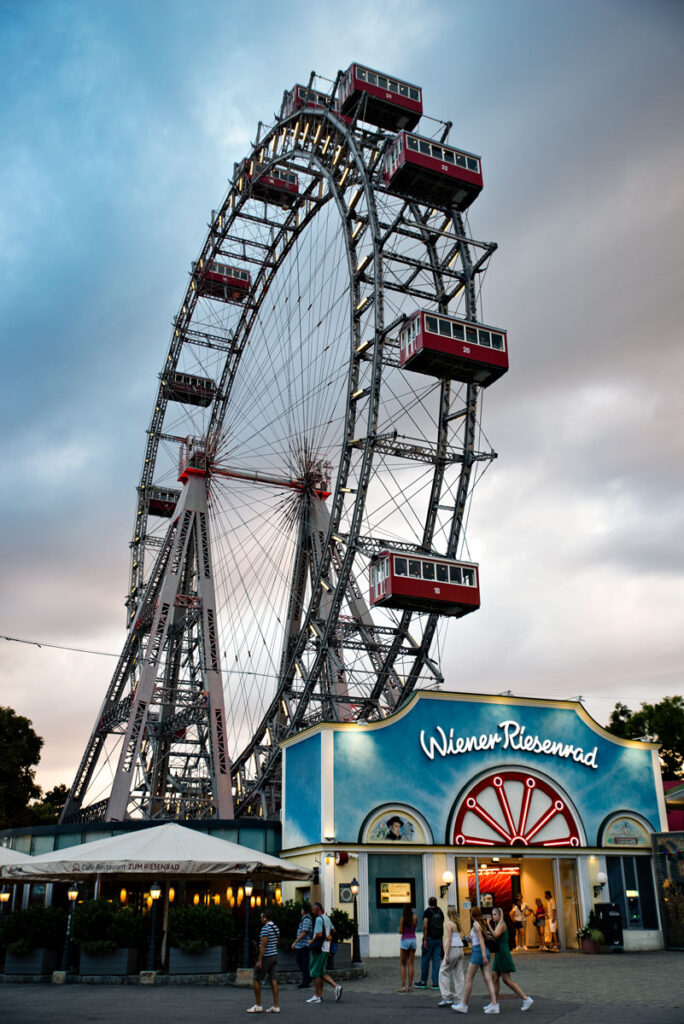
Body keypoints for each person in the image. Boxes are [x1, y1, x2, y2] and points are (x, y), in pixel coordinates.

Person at [485, 906, 534, 1012]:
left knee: (507, 980)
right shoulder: (498, 924)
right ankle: (495, 1003)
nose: (493, 917)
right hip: (500, 953)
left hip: (503, 954)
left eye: (495, 914)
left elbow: (496, 935)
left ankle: (526, 999)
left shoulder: (502, 925)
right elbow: (495, 937)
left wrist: (488, 924)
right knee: (494, 977)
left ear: (499, 915)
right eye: (492, 914)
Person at [451, 906, 499, 1015]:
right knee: (487, 979)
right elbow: (479, 939)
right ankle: (494, 1004)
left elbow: (481, 940)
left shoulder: (476, 925)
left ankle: (464, 1004)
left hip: (478, 952)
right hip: (482, 951)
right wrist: (470, 939)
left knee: (469, 978)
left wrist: (483, 956)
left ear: (472, 915)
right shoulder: (480, 924)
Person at [306, 901, 342, 1004]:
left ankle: (317, 996)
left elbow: (318, 934)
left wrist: (311, 941)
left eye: (313, 909)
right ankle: (333, 989)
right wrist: (329, 936)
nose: (312, 911)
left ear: (318, 909)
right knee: (321, 972)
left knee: (315, 972)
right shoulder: (327, 918)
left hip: (319, 948)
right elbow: (334, 930)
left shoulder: (318, 919)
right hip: (326, 948)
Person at [247, 909, 280, 1014]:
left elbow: (263, 946)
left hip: (267, 957)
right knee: (273, 980)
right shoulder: (276, 928)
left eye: (261, 917)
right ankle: (276, 1006)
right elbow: (277, 942)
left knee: (256, 979)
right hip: (274, 955)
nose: (260, 919)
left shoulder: (265, 929)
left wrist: (259, 960)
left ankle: (258, 1005)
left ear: (265, 918)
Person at [437, 905, 464, 1007]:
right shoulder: (458, 924)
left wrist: (446, 954)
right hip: (460, 949)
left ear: (448, 913)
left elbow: (449, 939)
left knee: (443, 972)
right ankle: (460, 998)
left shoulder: (449, 924)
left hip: (453, 949)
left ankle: (447, 997)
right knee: (459, 975)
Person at [415, 895, 444, 989]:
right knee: (436, 961)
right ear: (436, 903)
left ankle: (423, 982)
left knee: (425, 960)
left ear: (429, 903)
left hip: (430, 939)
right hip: (438, 939)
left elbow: (425, 926)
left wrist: (425, 938)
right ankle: (435, 984)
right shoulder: (440, 911)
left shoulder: (427, 912)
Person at [292, 902, 313, 988]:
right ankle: (307, 977)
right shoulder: (304, 919)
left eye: (302, 909)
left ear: (304, 910)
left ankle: (306, 981)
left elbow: (304, 932)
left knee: (303, 962)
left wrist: (295, 942)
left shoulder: (307, 919)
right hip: (301, 945)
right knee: (300, 961)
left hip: (304, 945)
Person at [398, 902, 417, 992]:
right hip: (413, 940)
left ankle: (403, 987)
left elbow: (400, 931)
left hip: (405, 940)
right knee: (411, 964)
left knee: (403, 964)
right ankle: (410, 987)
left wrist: (400, 928)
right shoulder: (415, 918)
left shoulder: (403, 918)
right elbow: (414, 928)